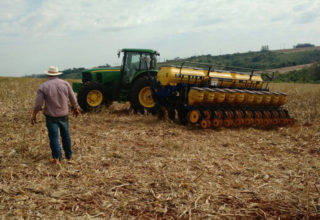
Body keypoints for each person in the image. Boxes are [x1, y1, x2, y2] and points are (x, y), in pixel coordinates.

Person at [31, 66, 80, 164]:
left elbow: (38, 104)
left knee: (54, 137)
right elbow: (73, 98)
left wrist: (34, 115)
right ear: (58, 74)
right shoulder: (65, 84)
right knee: (66, 135)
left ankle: (57, 158)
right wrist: (76, 108)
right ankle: (69, 156)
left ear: (48, 75)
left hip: (51, 116)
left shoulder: (43, 86)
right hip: (64, 115)